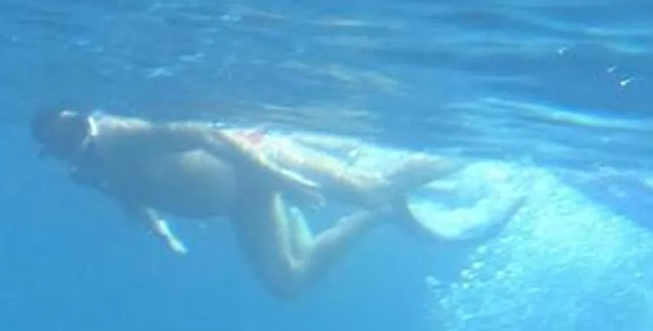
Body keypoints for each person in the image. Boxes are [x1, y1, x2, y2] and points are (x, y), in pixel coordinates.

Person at [30, 107, 478, 300]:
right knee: (288, 284)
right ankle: (374, 217)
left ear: (83, 122)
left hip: (259, 161)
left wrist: (272, 172)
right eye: (64, 148)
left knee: (373, 185)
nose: (75, 148)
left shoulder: (121, 134)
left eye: (75, 136)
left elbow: (208, 134)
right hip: (242, 201)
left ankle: (463, 156)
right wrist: (155, 226)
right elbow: (126, 193)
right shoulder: (86, 169)